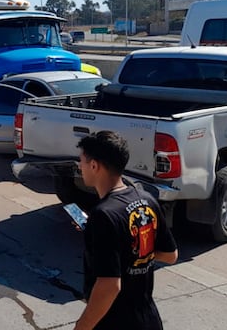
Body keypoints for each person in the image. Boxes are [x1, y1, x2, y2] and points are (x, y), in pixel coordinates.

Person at [74, 131, 178, 330]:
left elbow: (110, 286)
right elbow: (170, 255)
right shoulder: (146, 199)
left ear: (94, 165)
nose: (80, 167)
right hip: (148, 318)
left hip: (116, 321)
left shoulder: (103, 216)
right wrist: (127, 249)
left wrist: (82, 327)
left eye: (82, 162)